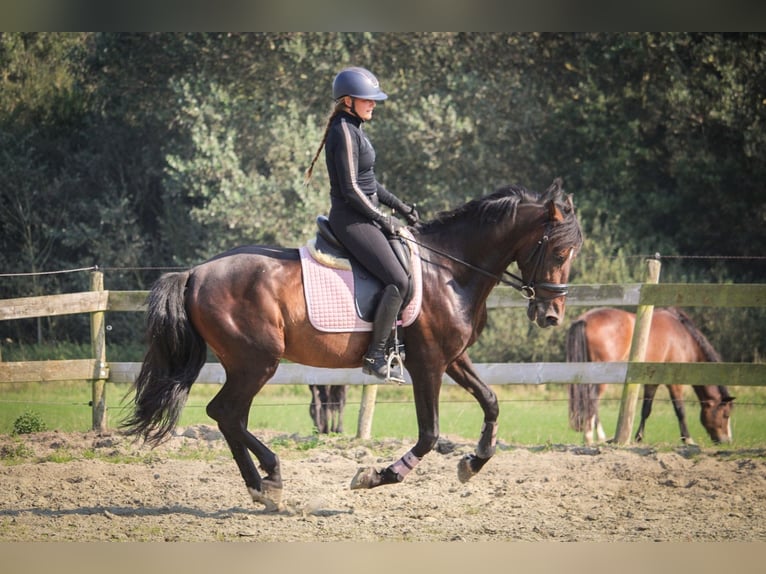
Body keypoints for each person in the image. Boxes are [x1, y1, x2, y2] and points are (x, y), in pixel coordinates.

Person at [305, 66, 419, 379]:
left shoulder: (356, 127)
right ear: (347, 100)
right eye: (367, 99)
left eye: (373, 99)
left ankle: (398, 343)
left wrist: (400, 206)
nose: (373, 104)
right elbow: (351, 190)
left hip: (365, 214)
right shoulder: (342, 130)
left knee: (407, 269)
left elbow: (370, 183)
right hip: (351, 219)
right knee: (400, 281)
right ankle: (375, 355)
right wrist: (384, 220)